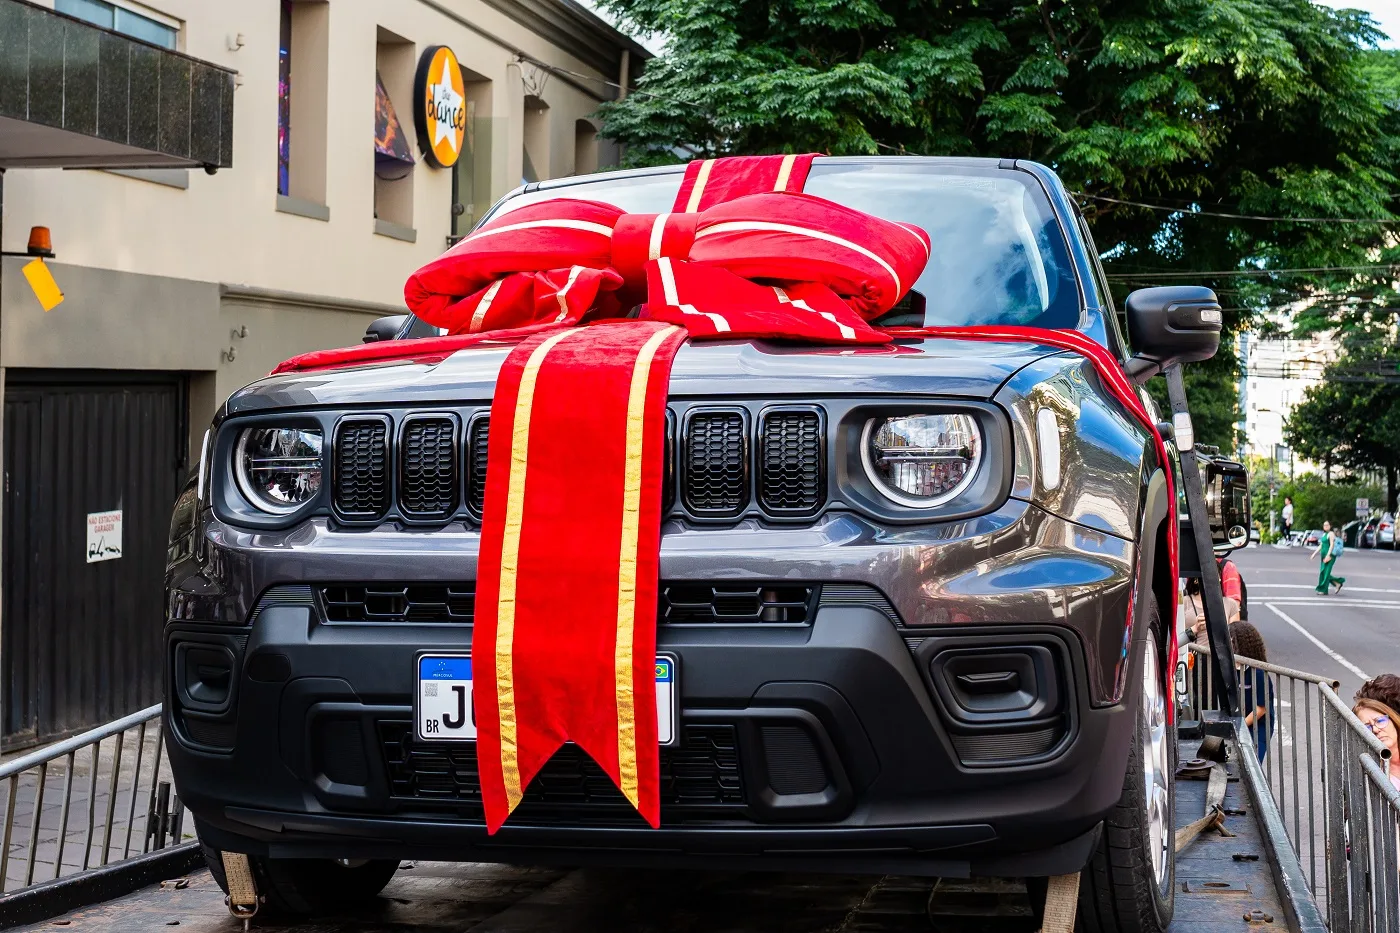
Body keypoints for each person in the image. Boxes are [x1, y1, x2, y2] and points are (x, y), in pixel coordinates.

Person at [1231, 622, 1273, 762]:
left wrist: (1240, 725)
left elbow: (1261, 708)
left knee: (1253, 761)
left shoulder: (1258, 673)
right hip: (1239, 722)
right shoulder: (1231, 668)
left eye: (1232, 641)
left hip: (1258, 725)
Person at [1353, 674, 1400, 791]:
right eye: (1367, 727)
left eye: (1380, 721)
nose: (1375, 729)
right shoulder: (1370, 773)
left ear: (1394, 719)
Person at [1185, 554, 1244, 645]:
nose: (1211, 578)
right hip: (1190, 657)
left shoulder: (1230, 604)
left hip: (1220, 659)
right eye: (1206, 574)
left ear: (1220, 579)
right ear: (1196, 579)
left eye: (1215, 574)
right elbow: (1173, 640)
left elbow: (1235, 639)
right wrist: (1195, 628)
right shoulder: (1183, 603)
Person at [1310, 520, 1346, 594]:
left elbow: (1332, 545)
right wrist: (1314, 553)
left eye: (1327, 525)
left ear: (1330, 526)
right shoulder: (1324, 535)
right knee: (1323, 572)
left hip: (1330, 556)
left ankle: (1323, 590)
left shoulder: (1331, 534)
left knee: (1326, 572)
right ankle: (1337, 583)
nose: (1325, 527)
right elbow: (1321, 545)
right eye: (1324, 525)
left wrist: (1328, 555)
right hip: (1323, 555)